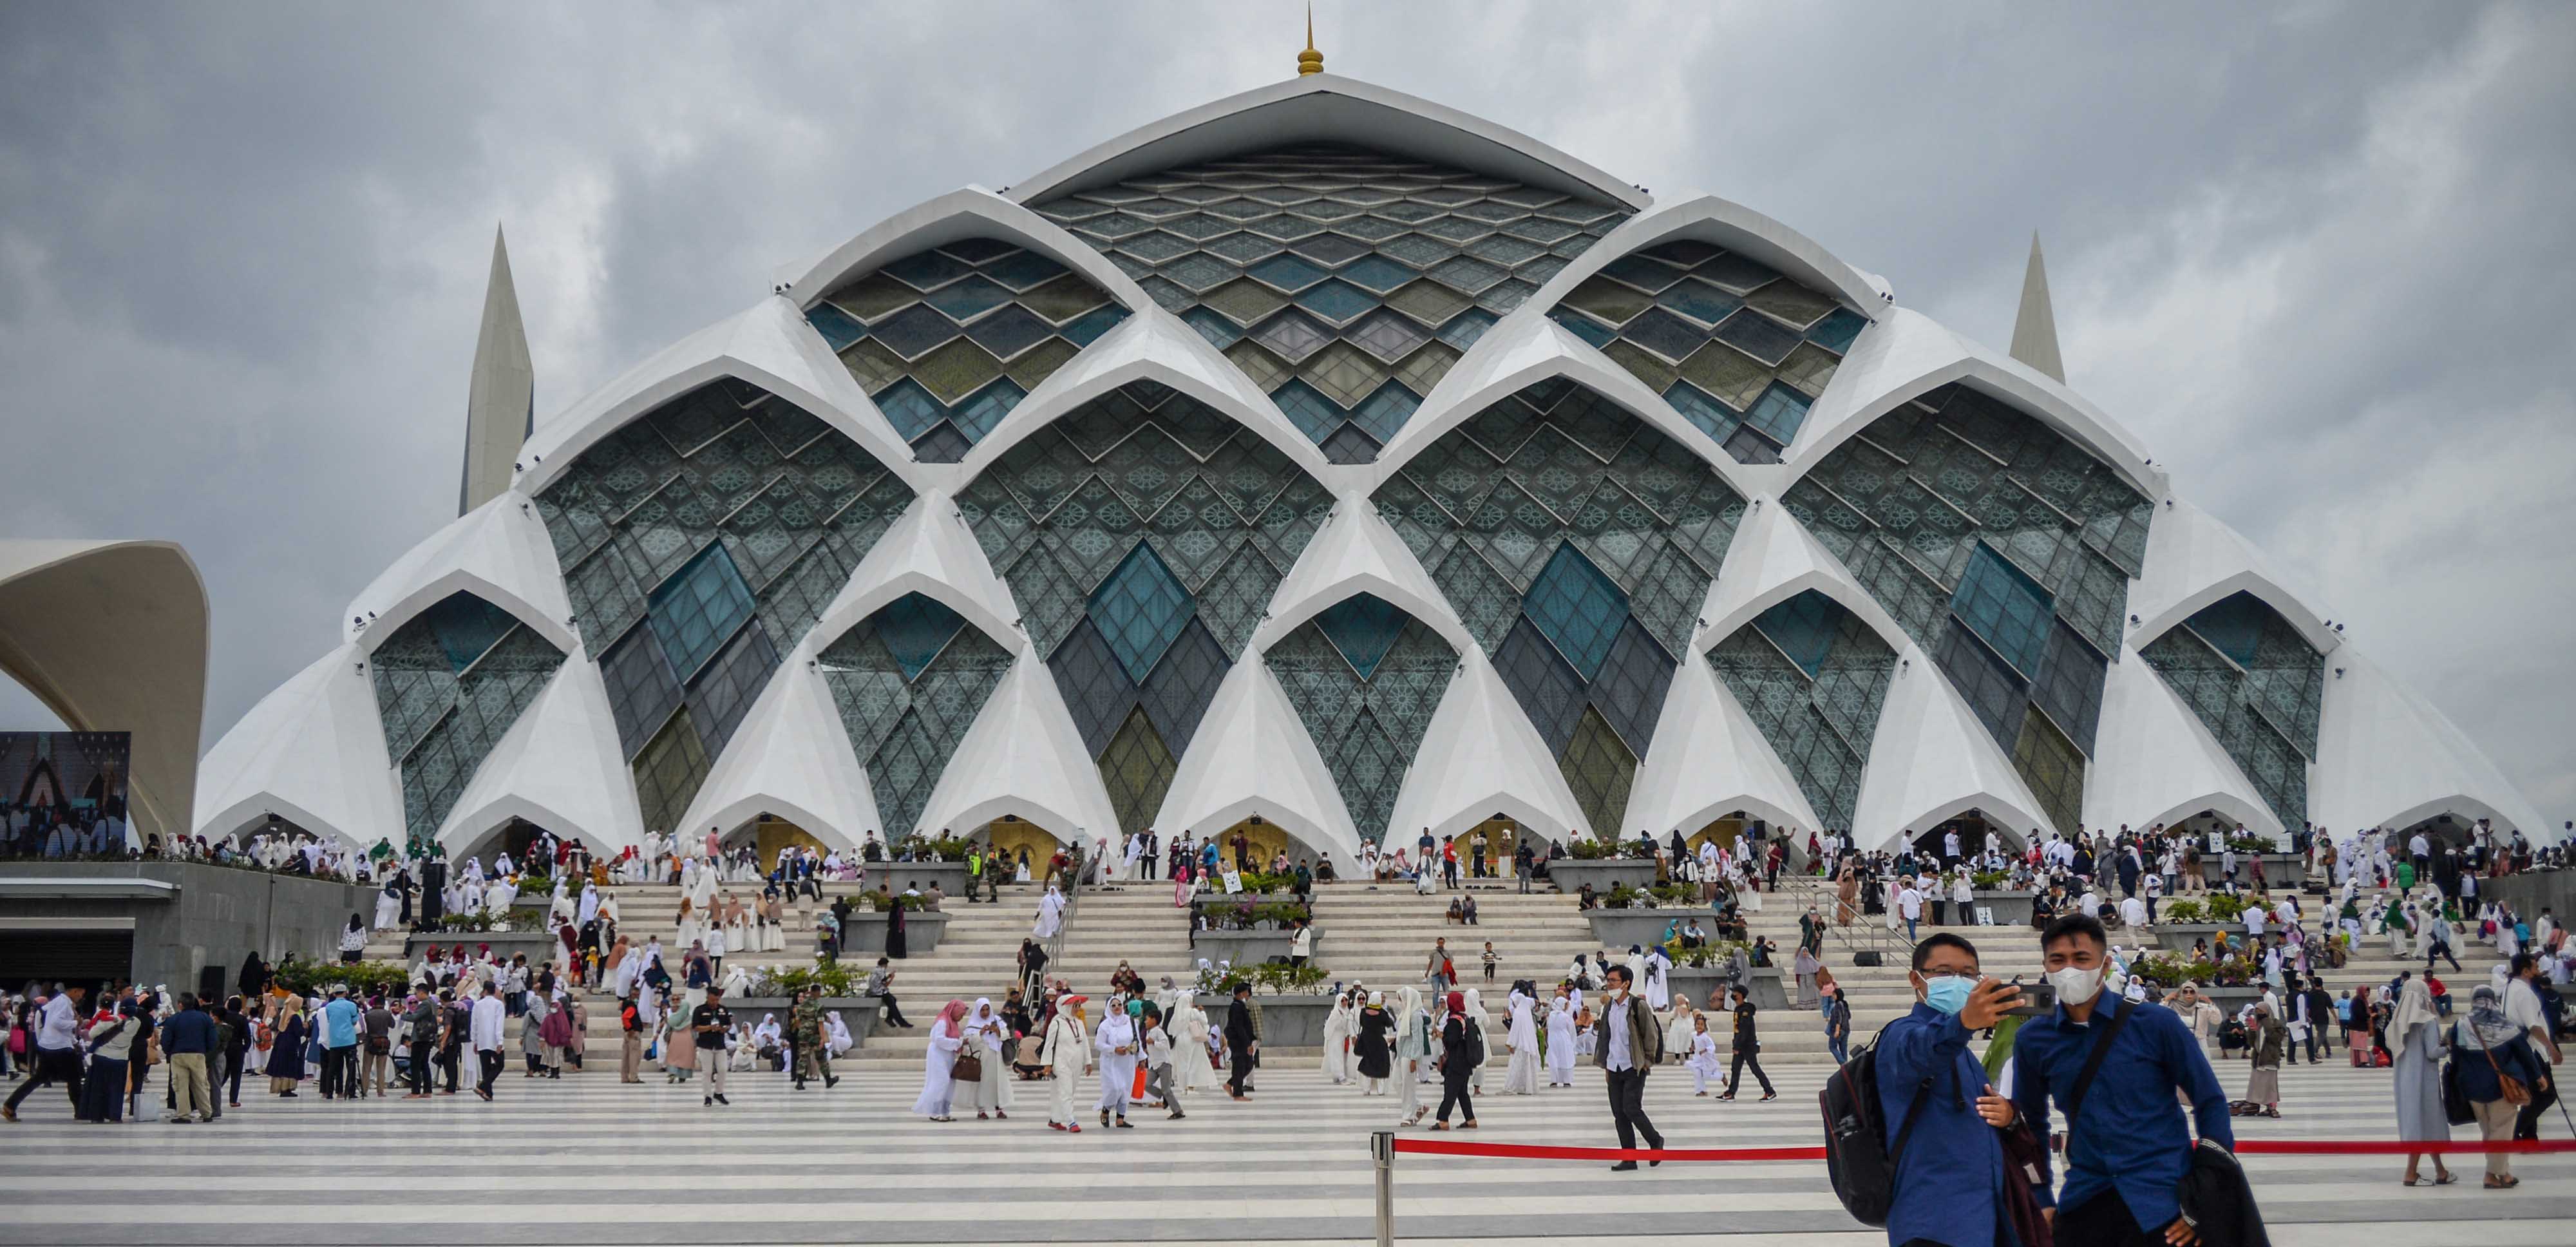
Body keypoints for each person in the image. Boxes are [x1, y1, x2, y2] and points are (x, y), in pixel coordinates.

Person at [2012, 915, 2232, 1246]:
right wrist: (2041, 1197)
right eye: (2058, 960)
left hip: (2165, 1203)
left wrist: (2202, 1197)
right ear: (2045, 966)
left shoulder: (2156, 1023)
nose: (2069, 969)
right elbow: (2031, 1126)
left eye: (2081, 958)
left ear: (2105, 965)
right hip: (2086, 1200)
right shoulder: (2033, 1038)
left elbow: (2210, 1101)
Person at [1877, 932, 2032, 1247]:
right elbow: (1922, 1050)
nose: (1958, 981)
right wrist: (1963, 1022)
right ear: (1916, 980)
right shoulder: (1901, 1034)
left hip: (1982, 1217)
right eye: (1945, 972)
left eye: (1968, 974)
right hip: (1932, 1223)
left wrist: (2006, 1116)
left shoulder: (1962, 1051)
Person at [2454, 984, 2546, 1189]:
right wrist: (2538, 1075)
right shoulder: (2505, 1024)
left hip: (2472, 1089)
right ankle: (2492, 1175)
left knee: (2489, 1132)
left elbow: (2455, 1058)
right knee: (2501, 1132)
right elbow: (2524, 1052)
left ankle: (2503, 1174)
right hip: (2502, 1088)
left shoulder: (2461, 1024)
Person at [1591, 963, 1665, 1171]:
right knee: (1619, 1113)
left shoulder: (1637, 1006)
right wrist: (1606, 1065)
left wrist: (1647, 1062)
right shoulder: (1610, 1007)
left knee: (1631, 1108)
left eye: (1613, 980)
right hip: (1614, 1066)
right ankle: (1630, 1157)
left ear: (1626, 983)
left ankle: (1655, 1140)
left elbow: (1651, 1035)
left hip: (1634, 1066)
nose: (1609, 984)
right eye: (1608, 980)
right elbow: (1609, 1038)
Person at [2385, 976, 2455, 1186]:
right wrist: (2449, 1046)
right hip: (2425, 1081)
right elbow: (2433, 1052)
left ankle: (2441, 1171)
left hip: (2404, 1081)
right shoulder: (2428, 1019)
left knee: (2419, 1123)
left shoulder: (2398, 1020)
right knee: (2427, 1121)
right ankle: (2411, 1173)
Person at [2, 984, 85, 1121]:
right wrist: (75, 1023)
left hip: (48, 1046)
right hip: (60, 1048)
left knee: (38, 1078)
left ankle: (10, 1105)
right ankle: (81, 1111)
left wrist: (74, 1042)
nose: (81, 997)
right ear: (75, 990)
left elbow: (44, 1013)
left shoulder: (56, 1001)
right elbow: (56, 1022)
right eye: (81, 993)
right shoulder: (64, 1003)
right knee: (74, 1078)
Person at [2501, 953, 2561, 1141]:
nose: (2538, 971)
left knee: (2534, 1094)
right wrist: (2551, 1048)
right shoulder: (2523, 992)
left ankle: (2529, 1137)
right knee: (2547, 1094)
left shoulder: (2510, 988)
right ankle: (2514, 1131)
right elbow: (2533, 1026)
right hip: (2531, 1050)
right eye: (2535, 968)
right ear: (2526, 971)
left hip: (2520, 1050)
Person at [160, 994, 218, 1123]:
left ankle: (184, 1114)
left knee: (181, 1086)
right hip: (198, 1054)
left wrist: (169, 1052)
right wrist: (205, 1050)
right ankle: (207, 1113)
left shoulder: (174, 1019)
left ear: (180, 1005)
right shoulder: (205, 1018)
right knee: (201, 1084)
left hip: (178, 1055)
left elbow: (166, 1040)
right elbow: (213, 1039)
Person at [1431, 990, 1479, 1129]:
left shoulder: (1454, 1021)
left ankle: (1443, 1120)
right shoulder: (1464, 1017)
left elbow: (1451, 1041)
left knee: (1450, 1091)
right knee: (1462, 1092)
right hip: (1465, 1062)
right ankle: (1470, 1119)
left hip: (1456, 1062)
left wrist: (1442, 1036)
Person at [1041, 995, 1088, 1132]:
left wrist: (1088, 1062)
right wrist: (1047, 1064)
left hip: (1076, 1064)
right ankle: (1071, 1121)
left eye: (1079, 1006)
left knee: (1065, 1092)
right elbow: (1049, 1045)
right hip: (1061, 1063)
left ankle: (1055, 1119)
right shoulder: (1056, 1023)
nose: (1078, 1009)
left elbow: (1084, 1043)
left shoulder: (1079, 1023)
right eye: (1075, 1006)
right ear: (1066, 1006)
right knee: (1066, 1092)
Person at [915, 999, 967, 1122]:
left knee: (950, 1082)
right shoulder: (943, 1021)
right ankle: (934, 1112)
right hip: (937, 1054)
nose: (961, 1017)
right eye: (961, 1014)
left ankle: (944, 1111)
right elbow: (938, 1039)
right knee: (941, 1080)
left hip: (947, 1055)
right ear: (955, 1011)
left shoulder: (952, 1023)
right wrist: (959, 1042)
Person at [1721, 989, 1776, 1101]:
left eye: (1735, 993)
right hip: (1739, 1044)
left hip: (1747, 1045)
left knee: (1755, 1068)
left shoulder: (1746, 1011)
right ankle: (1731, 1092)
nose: (1733, 995)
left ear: (1740, 995)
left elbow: (1744, 1031)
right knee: (1735, 1069)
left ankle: (1769, 1091)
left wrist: (1737, 1046)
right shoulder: (1738, 1009)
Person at [1092, 999, 1139, 1128]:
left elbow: (1137, 1040)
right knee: (1114, 1088)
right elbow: (1099, 1044)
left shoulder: (1131, 1022)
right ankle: (1105, 1110)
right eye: (1113, 1006)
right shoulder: (1105, 1025)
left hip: (1127, 1061)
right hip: (1111, 1062)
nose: (1117, 1007)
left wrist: (1141, 1058)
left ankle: (1120, 1119)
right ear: (1109, 1008)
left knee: (1125, 1089)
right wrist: (1114, 1050)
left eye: (1119, 1005)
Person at [690, 983, 733, 1107]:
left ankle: (718, 1093)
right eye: (713, 999)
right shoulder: (700, 1010)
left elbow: (728, 1025)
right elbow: (696, 1027)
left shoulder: (723, 1010)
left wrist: (724, 1029)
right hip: (705, 1045)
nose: (715, 1002)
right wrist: (709, 1027)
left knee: (723, 1070)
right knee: (707, 1072)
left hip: (720, 1044)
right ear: (708, 997)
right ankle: (707, 1096)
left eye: (717, 1000)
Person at [2244, 1002, 2286, 1116]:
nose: (2259, 1013)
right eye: (2257, 1011)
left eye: (2261, 1011)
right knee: (2259, 1085)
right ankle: (2267, 1107)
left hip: (2270, 1058)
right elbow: (2252, 1043)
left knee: (2270, 1085)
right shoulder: (2257, 1024)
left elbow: (2275, 1039)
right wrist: (2252, 1031)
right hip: (2258, 1058)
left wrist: (2266, 1021)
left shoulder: (2276, 1023)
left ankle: (2273, 1108)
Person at [468, 984, 507, 1101]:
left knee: (486, 1067)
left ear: (484, 991)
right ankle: (484, 1088)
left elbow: (473, 1024)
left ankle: (487, 1092)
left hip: (482, 1039)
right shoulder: (498, 1004)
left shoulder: (477, 1005)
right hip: (494, 1040)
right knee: (499, 1064)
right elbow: (499, 1023)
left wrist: (474, 1040)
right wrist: (500, 1040)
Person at [1225, 982, 1261, 1100]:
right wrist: (1247, 1044)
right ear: (1241, 994)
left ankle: (1230, 1084)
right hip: (1238, 1042)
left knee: (1248, 1065)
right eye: (1246, 991)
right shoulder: (1236, 1007)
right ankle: (1238, 1094)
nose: (1247, 993)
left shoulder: (1240, 1005)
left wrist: (1252, 1039)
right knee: (1239, 1066)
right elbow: (1239, 1027)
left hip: (1242, 1041)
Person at [1355, 991, 1394, 1094]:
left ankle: (1366, 1089)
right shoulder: (1383, 1013)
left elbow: (1362, 1023)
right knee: (1381, 1065)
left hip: (1367, 1041)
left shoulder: (1363, 1012)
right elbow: (1389, 1024)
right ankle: (1381, 1091)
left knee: (1368, 1065)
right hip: (1380, 1042)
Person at [1503, 988, 1540, 1095]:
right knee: (1527, 1068)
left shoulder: (1518, 1013)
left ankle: (1516, 1086)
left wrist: (1511, 1044)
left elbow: (1515, 1030)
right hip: (1527, 1045)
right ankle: (1527, 1087)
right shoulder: (1527, 1012)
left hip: (1519, 1045)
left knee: (1517, 1067)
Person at [1544, 995, 1577, 1087]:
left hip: (1553, 1040)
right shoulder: (1566, 1017)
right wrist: (1572, 1041)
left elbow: (1547, 1028)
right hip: (1564, 1040)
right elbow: (1571, 1030)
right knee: (1565, 1058)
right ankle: (1566, 1080)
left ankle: (1554, 1080)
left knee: (1554, 1059)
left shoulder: (1551, 1015)